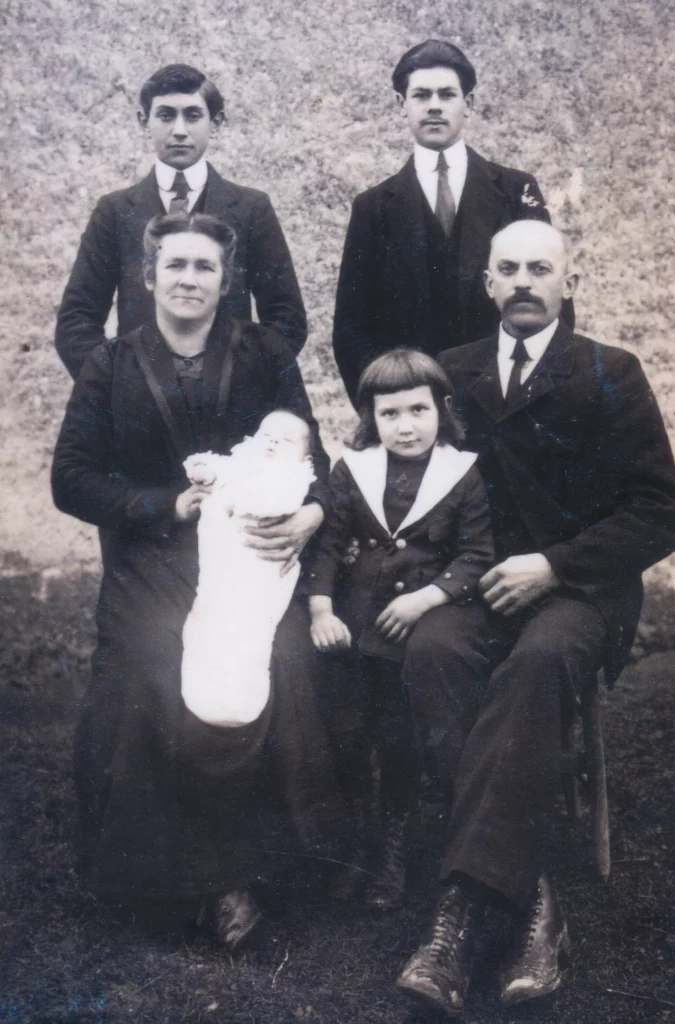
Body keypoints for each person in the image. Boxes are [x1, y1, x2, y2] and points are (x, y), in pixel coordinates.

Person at [396, 220, 675, 1015]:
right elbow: (398, 483)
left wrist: (555, 564)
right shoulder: (450, 375)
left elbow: (659, 513)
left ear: (566, 281)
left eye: (539, 268)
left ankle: (457, 918)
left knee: (535, 663)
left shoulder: (608, 372)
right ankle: (531, 903)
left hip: (580, 594)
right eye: (508, 269)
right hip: (474, 591)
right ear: (486, 284)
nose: (523, 281)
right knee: (431, 651)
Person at [51, 212, 337, 949]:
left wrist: (310, 514)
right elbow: (72, 480)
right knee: (156, 663)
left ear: (225, 281)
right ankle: (191, 882)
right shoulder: (111, 363)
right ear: (147, 278)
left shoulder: (264, 351)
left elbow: (314, 462)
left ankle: (259, 872)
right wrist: (163, 504)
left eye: (204, 267)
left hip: (247, 555)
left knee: (281, 666)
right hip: (152, 558)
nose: (188, 279)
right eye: (173, 265)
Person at [304, 349, 494, 909]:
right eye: (390, 414)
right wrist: (320, 609)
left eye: (418, 410)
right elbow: (328, 545)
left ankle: (392, 845)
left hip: (409, 631)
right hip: (351, 624)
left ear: (442, 410)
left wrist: (426, 600)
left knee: (397, 737)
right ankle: (353, 845)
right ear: (371, 418)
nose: (405, 426)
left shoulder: (461, 473)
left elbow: (477, 554)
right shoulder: (352, 469)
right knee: (346, 734)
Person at [332, 39, 574, 404]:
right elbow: (351, 329)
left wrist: (531, 399)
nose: (434, 107)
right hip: (415, 410)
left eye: (447, 94)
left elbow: (554, 304)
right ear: (402, 105)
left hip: (505, 405)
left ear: (469, 104)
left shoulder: (515, 190)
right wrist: (389, 408)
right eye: (421, 95)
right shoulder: (373, 207)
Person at [55, 63, 306, 381]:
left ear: (216, 122)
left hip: (229, 405)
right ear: (144, 121)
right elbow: (76, 320)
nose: (179, 130)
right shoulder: (115, 211)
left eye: (192, 115)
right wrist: (116, 385)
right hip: (139, 406)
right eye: (165, 115)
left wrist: (244, 381)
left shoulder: (250, 208)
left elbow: (287, 316)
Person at [181, 411, 316, 727]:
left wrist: (235, 500)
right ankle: (203, 687)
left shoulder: (291, 477)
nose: (273, 444)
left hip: (260, 562)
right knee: (212, 613)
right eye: (267, 436)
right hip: (223, 556)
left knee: (249, 625)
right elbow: (217, 468)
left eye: (286, 441)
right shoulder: (243, 463)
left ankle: (241, 699)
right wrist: (204, 472)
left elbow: (277, 502)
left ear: (304, 457)